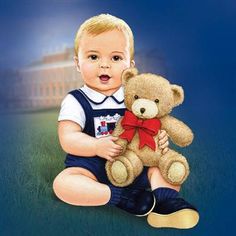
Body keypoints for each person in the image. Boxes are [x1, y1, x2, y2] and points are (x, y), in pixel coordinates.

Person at [53, 14, 199, 229]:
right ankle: (121, 197)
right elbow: (68, 137)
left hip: (135, 160)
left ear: (130, 66)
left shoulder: (135, 97)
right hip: (91, 166)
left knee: (162, 167)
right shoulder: (76, 100)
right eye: (93, 57)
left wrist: (160, 138)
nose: (104, 65)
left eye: (115, 58)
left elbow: (155, 121)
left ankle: (166, 202)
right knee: (63, 183)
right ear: (77, 63)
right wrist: (95, 145)